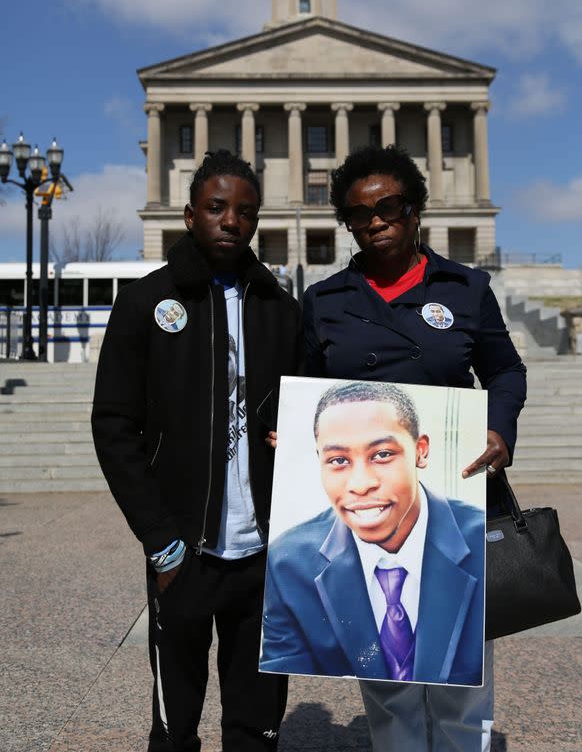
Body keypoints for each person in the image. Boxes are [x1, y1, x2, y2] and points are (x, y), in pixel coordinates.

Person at [301, 145, 527, 752]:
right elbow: (300, 393)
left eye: (389, 206)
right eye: (358, 213)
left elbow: (505, 371)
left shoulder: (465, 288)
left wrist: (499, 428)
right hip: (372, 508)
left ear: (416, 210)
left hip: (454, 497)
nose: (375, 221)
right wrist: (290, 432)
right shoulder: (325, 301)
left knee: (460, 678)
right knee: (388, 679)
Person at [92, 150, 301, 752]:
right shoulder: (145, 304)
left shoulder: (280, 310)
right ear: (189, 215)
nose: (231, 220)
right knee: (175, 723)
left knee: (256, 724)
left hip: (263, 554)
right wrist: (159, 537)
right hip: (184, 549)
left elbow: (311, 415)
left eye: (245, 211)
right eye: (216, 207)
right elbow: (113, 425)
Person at [260, 380, 485, 685]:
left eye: (381, 455)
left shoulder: (480, 541)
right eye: (338, 461)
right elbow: (283, 660)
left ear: (420, 451)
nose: (361, 483)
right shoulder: (288, 562)